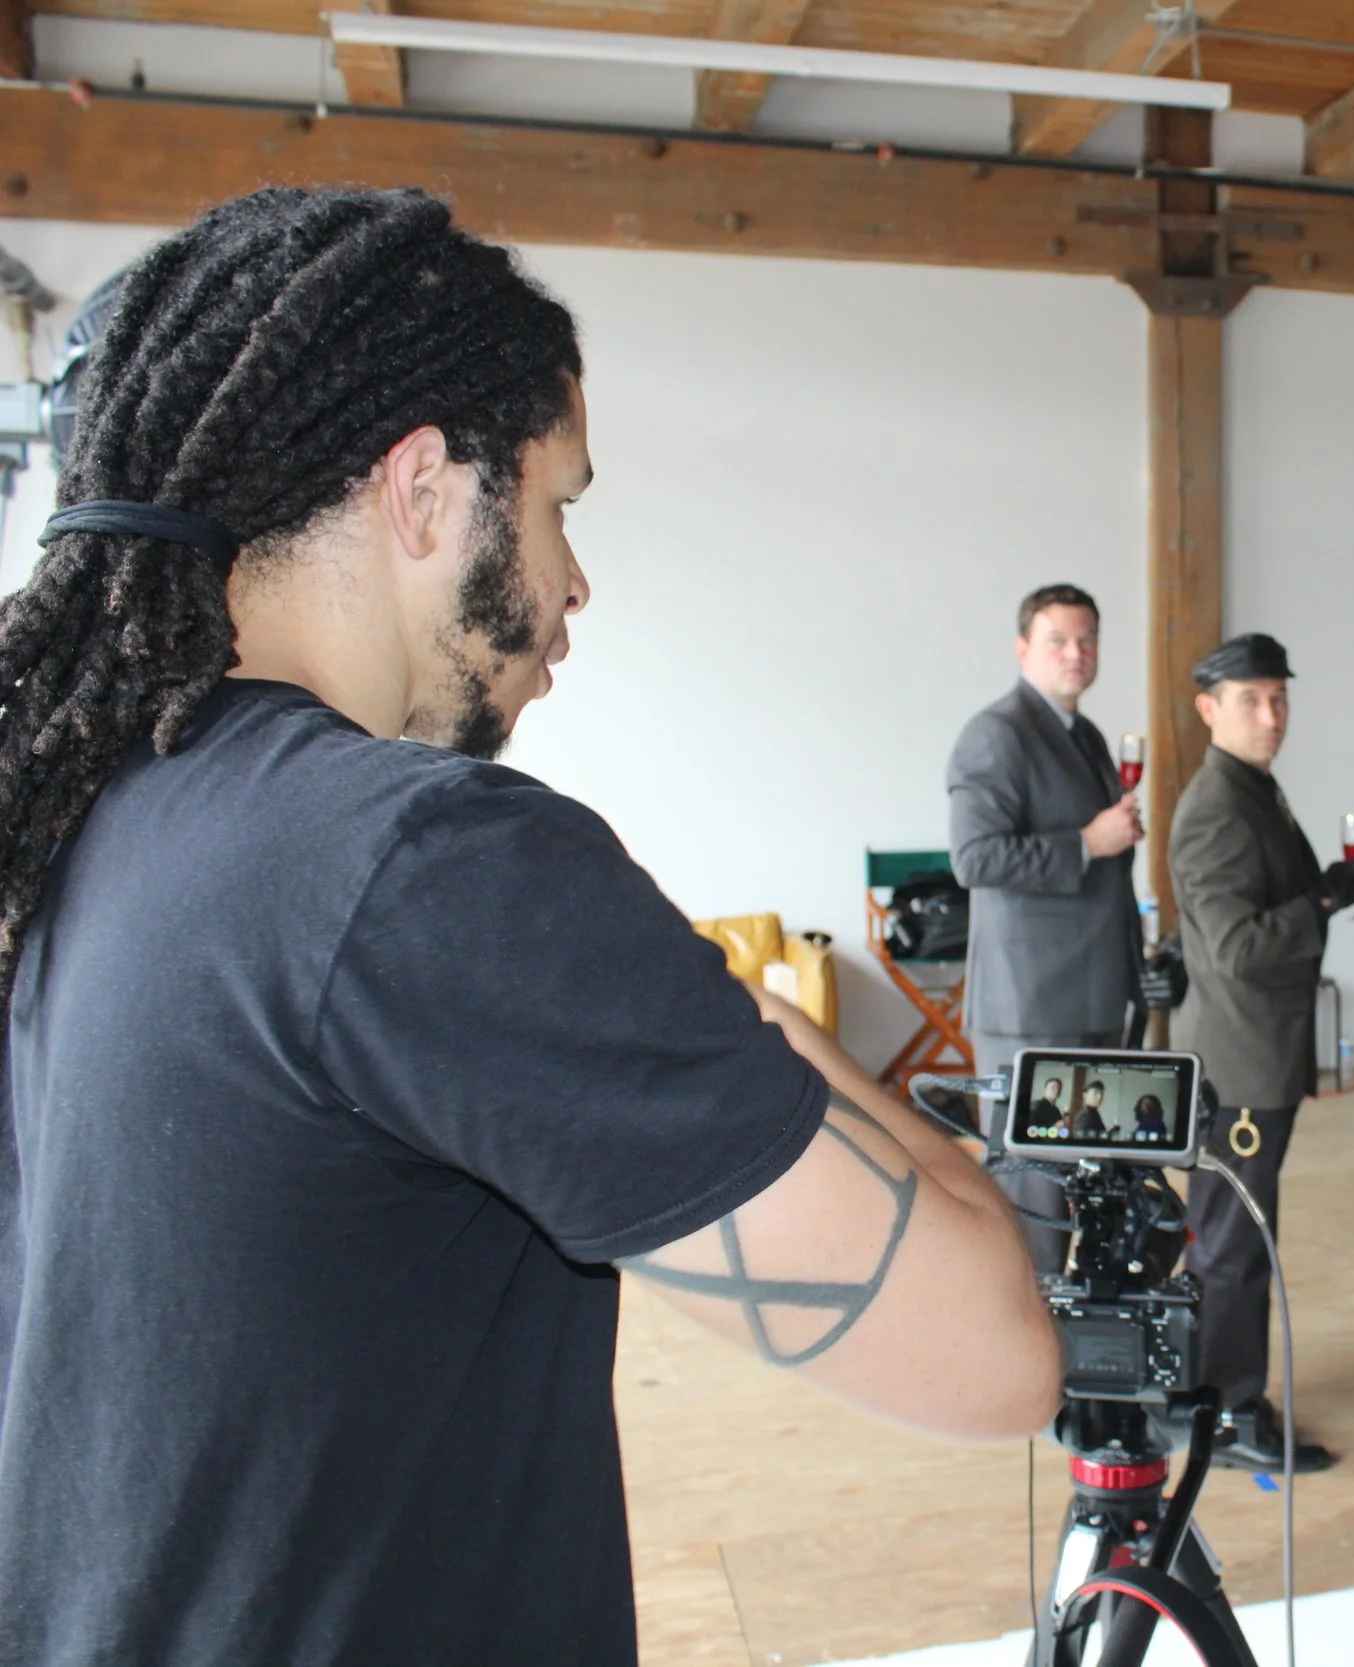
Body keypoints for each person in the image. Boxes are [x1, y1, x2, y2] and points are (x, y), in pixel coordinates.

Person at [0, 188, 1059, 1666]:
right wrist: (721, 997)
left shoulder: (80, 817)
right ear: (425, 491)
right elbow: (994, 1352)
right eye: (559, 502)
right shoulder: (419, 860)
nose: (572, 581)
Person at [1168, 632, 1354, 1473]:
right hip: (1239, 1063)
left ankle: (1222, 1395)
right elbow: (1238, 948)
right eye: (1250, 699)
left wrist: (1319, 885)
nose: (1271, 714)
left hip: (1256, 1054)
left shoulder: (1252, 788)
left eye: (1279, 697)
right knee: (1231, 1241)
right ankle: (1225, 1412)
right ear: (1209, 708)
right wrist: (1322, 900)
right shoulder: (1217, 803)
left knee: (1236, 1235)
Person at [947, 585, 1145, 1260]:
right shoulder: (997, 732)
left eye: (1087, 639)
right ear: (1023, 648)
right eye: (1058, 639)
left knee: (1084, 1188)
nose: (1076, 653)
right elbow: (975, 857)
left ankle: (1072, 1347)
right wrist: (1089, 841)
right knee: (1030, 1194)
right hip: (1030, 1003)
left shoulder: (1083, 733)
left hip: (1091, 993)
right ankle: (1020, 1350)